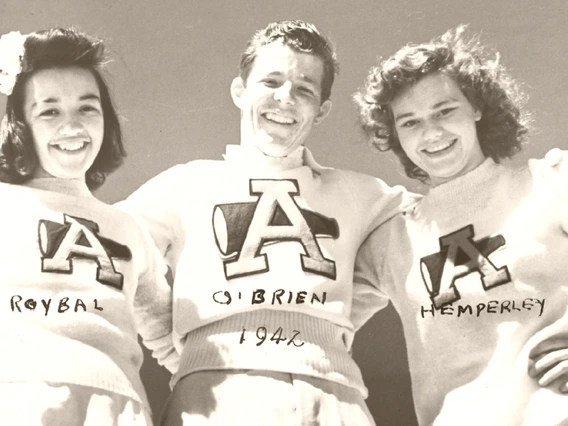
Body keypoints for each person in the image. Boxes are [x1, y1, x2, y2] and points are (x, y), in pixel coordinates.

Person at [120, 20, 412, 426]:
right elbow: (108, 249)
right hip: (216, 395)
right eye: (270, 81)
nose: (285, 98)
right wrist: (179, 353)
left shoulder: (362, 194)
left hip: (335, 399)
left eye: (304, 89)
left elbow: (444, 227)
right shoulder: (185, 183)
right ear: (240, 92)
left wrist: (330, 332)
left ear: (322, 110)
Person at [353, 25, 568, 425]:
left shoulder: (552, 182)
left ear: (477, 108)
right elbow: (315, 318)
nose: (432, 133)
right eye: (410, 122)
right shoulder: (391, 238)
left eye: (444, 111)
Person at [0, 27, 178, 425]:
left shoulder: (128, 228)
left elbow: (174, 341)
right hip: (19, 401)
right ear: (20, 126)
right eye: (49, 111)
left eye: (87, 108)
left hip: (118, 409)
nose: (72, 126)